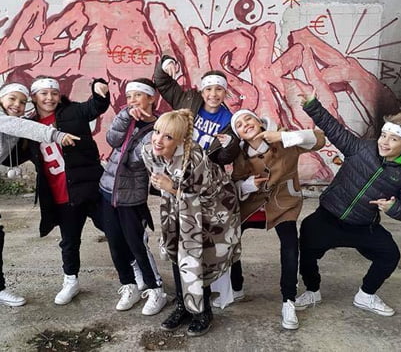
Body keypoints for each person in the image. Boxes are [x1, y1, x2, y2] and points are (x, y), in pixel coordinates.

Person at [295, 90, 401, 317]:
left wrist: (394, 209)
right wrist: (312, 105)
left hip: (363, 225)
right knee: (306, 241)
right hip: (328, 217)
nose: (384, 142)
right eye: (384, 135)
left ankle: (366, 295)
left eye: (393, 139)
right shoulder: (362, 148)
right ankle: (313, 290)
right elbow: (334, 129)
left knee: (390, 255)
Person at [219, 109, 324, 330]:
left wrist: (284, 136)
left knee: (290, 246)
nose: (245, 124)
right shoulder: (240, 154)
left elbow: (319, 140)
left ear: (259, 121)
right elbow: (235, 183)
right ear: (238, 134)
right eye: (239, 125)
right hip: (253, 205)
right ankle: (236, 288)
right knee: (230, 237)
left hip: (283, 204)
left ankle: (288, 301)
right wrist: (249, 185)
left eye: (248, 118)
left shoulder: (284, 139)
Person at [142, 109, 241, 337]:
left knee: (196, 258)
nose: (158, 140)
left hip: (212, 210)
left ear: (179, 140)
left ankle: (202, 312)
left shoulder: (194, 159)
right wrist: (168, 188)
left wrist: (170, 187)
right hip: (178, 208)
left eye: (168, 137)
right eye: (157, 132)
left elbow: (199, 197)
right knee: (177, 252)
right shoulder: (150, 151)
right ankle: (183, 306)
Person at [26, 76, 110, 305]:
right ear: (34, 97)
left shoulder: (73, 111)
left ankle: (136, 271)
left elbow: (96, 106)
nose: (50, 98)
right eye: (44, 94)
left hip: (89, 187)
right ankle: (70, 280)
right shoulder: (30, 126)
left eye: (54, 93)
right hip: (61, 193)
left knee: (114, 230)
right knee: (69, 241)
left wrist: (98, 87)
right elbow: (14, 153)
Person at [0, 82, 78, 307]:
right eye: (12, 99)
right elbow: (19, 127)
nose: (17, 105)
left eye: (22, 101)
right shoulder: (5, 120)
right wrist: (55, 134)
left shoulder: (16, 122)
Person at [99, 79, 166, 315]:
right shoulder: (126, 118)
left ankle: (156, 289)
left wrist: (134, 140)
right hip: (108, 189)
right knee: (115, 243)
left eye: (138, 95)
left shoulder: (159, 127)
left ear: (151, 98)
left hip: (131, 195)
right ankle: (129, 285)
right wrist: (125, 117)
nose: (133, 100)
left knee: (137, 244)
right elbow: (112, 140)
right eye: (129, 96)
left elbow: (137, 158)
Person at [153, 56, 240, 166]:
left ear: (225, 93)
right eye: (208, 89)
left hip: (201, 171)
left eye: (219, 89)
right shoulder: (188, 101)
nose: (213, 94)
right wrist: (165, 63)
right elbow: (163, 84)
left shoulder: (229, 121)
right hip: (173, 163)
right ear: (202, 92)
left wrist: (229, 145)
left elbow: (222, 160)